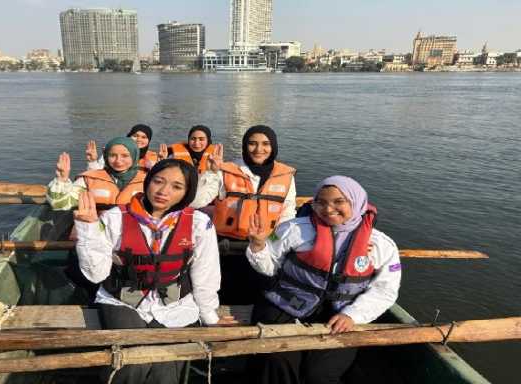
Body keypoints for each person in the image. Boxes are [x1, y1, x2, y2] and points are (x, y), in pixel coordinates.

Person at [73, 159, 237, 384]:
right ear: (148, 181)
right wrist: (88, 227)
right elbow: (96, 274)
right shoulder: (114, 218)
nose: (163, 191)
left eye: (176, 187)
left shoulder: (199, 224)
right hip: (123, 298)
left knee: (166, 368)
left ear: (187, 193)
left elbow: (205, 275)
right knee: (131, 364)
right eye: (158, 181)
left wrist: (210, 316)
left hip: (174, 301)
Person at [246, 175, 402, 384]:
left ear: (356, 203)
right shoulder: (294, 229)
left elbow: (385, 290)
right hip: (286, 305)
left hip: (340, 315)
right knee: (276, 359)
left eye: (339, 202)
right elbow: (268, 267)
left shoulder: (382, 244)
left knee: (320, 374)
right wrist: (258, 246)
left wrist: (352, 315)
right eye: (321, 202)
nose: (328, 209)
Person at [190, 125, 297, 303]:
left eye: (265, 144)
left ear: (274, 146)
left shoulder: (286, 176)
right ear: (245, 146)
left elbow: (287, 213)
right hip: (226, 245)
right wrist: (211, 172)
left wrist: (279, 245)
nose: (259, 149)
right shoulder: (225, 170)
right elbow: (197, 201)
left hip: (264, 244)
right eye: (252, 144)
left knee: (259, 292)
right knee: (224, 291)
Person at [46, 137, 145, 211]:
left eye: (125, 156)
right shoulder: (89, 179)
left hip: (133, 233)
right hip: (94, 232)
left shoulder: (147, 181)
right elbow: (59, 205)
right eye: (112, 155)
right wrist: (61, 179)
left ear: (134, 156)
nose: (118, 161)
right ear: (106, 157)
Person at [87, 124, 158, 171]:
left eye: (144, 137)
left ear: (149, 140)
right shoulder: (112, 152)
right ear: (129, 136)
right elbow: (95, 174)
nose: (139, 139)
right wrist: (92, 161)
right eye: (135, 136)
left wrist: (161, 162)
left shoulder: (153, 158)